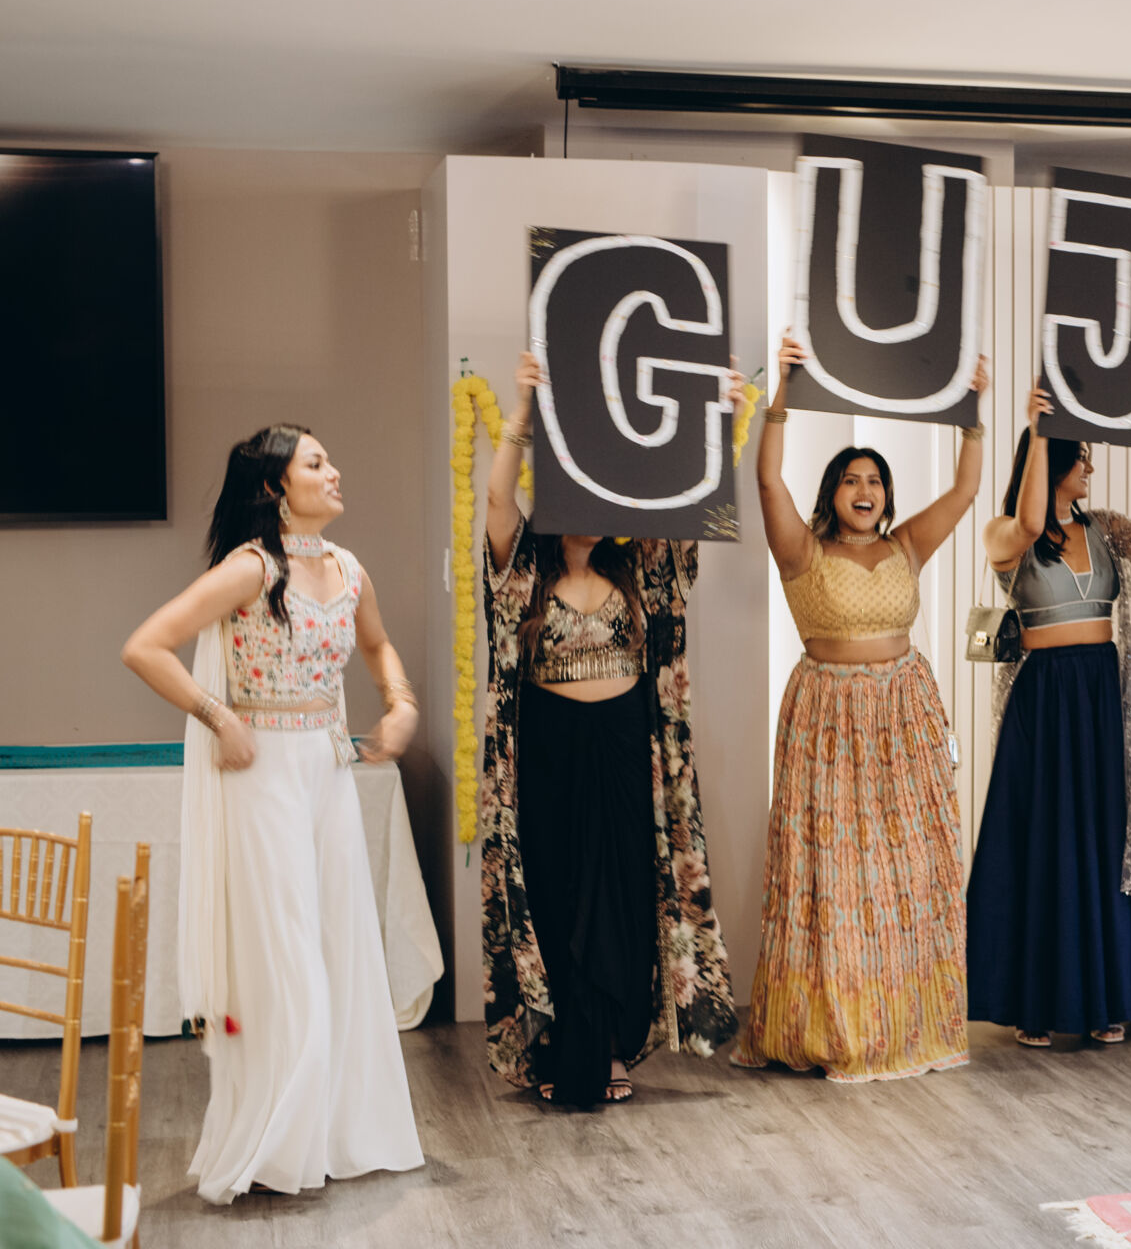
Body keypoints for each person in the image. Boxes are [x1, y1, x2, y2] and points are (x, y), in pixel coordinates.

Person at [122, 424, 422, 1202]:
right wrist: (218, 717)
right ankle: (276, 1139)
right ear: (274, 487)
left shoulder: (349, 569)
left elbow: (378, 647)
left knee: (339, 942)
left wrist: (400, 704)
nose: (334, 471)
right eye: (315, 463)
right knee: (286, 953)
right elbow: (146, 646)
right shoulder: (251, 569)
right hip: (264, 779)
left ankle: (334, 1133)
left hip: (327, 769)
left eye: (329, 459)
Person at [479, 352, 741, 1106]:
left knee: (622, 891)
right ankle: (562, 1047)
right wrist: (522, 407)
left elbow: (697, 511)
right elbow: (496, 496)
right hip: (550, 750)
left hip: (625, 746)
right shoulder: (524, 572)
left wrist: (717, 416)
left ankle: (613, 1048)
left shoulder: (642, 570)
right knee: (557, 890)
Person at [729, 333, 985, 1082]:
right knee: (834, 875)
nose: (864, 489)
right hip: (828, 723)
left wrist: (973, 412)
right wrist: (783, 391)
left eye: (874, 479)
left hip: (904, 719)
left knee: (910, 870)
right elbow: (767, 479)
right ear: (832, 493)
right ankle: (833, 1027)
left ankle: (905, 1025)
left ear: (887, 495)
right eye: (851, 479)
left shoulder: (907, 546)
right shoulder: (802, 551)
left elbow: (965, 492)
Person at [967, 384, 1131, 1048]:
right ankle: (1040, 1005)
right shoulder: (1004, 532)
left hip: (1101, 691)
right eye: (1080, 456)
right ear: (1051, 460)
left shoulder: (1100, 527)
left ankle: (1108, 997)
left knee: (1106, 837)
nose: (1091, 466)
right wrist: (1038, 429)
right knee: (1047, 841)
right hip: (1045, 697)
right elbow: (1028, 526)